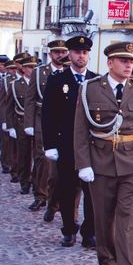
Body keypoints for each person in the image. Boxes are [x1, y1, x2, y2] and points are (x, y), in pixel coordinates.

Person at [74, 41, 133, 265]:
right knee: (104, 219)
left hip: (131, 165)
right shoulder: (90, 89)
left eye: (131, 61)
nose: (129, 64)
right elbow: (80, 129)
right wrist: (83, 164)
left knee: (128, 220)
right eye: (124, 60)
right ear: (110, 63)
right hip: (101, 165)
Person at [42, 36, 96, 248]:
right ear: (69, 54)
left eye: (84, 53)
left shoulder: (96, 81)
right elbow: (48, 114)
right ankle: (68, 229)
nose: (80, 56)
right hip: (66, 145)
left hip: (91, 147)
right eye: (76, 52)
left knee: (91, 192)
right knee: (66, 189)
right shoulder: (57, 80)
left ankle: (89, 231)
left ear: (88, 55)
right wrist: (50, 145)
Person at [24, 39, 68, 215]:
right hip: (42, 119)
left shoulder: (69, 71)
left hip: (64, 121)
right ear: (50, 54)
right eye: (56, 52)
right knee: (42, 159)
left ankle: (56, 199)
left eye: (63, 52)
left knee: (62, 162)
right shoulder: (39, 72)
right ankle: (41, 195)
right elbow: (30, 98)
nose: (60, 55)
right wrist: (29, 124)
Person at [7, 56, 39, 195]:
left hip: (37, 122)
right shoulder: (15, 85)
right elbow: (9, 107)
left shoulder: (40, 83)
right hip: (21, 122)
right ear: (24, 69)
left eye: (35, 67)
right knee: (24, 154)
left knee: (39, 155)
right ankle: (24, 181)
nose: (33, 70)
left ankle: (36, 182)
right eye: (30, 67)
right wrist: (10, 126)